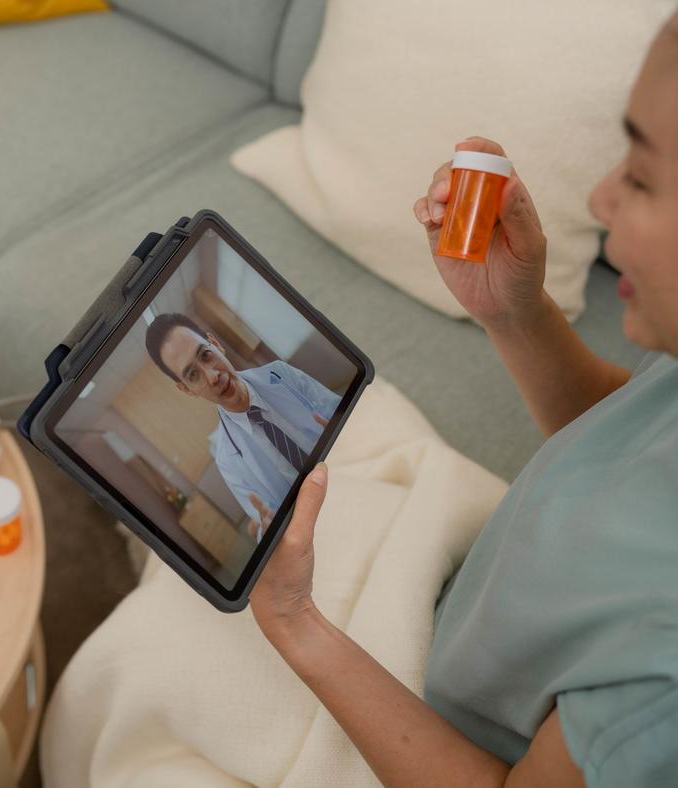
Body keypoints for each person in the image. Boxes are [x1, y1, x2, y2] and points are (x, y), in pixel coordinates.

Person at [248, 11, 678, 787]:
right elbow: (623, 436)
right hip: (448, 608)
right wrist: (515, 313)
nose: (601, 197)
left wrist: (296, 625)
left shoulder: (663, 695)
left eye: (642, 178)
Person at [144, 312, 340, 540]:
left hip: (345, 463)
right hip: (317, 525)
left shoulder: (280, 373)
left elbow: (340, 409)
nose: (212, 376)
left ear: (216, 344)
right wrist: (267, 530)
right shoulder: (227, 460)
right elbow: (264, 522)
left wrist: (342, 426)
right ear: (187, 389)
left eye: (206, 355)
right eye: (193, 375)